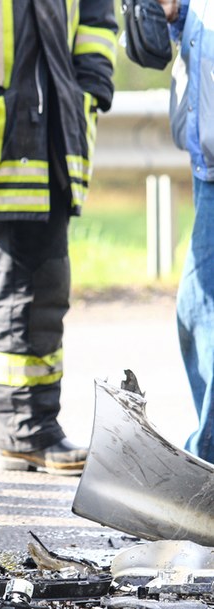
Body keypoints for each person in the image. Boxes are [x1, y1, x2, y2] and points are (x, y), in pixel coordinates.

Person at [0, 0, 117, 474]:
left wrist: (90, 87)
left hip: (53, 138)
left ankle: (31, 431)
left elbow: (98, 20)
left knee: (41, 294)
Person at [155, 0, 214, 463]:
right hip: (207, 164)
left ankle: (208, 458)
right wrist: (177, 14)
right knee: (197, 310)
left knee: (203, 309)